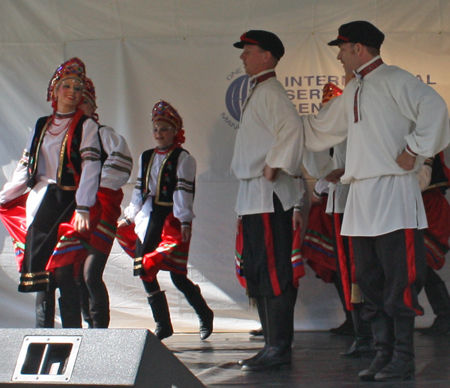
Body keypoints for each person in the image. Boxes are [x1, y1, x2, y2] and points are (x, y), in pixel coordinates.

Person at [301, 21, 450, 381]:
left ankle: (402, 357)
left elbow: (436, 110)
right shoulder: (354, 90)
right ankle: (383, 354)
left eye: (341, 47)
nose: (337, 54)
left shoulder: (397, 79)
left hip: (393, 192)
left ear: (358, 48)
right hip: (362, 195)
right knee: (367, 278)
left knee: (399, 276)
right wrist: (281, 129)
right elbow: (320, 129)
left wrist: (414, 150)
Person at [0, 58, 102, 328]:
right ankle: (41, 334)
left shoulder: (86, 127)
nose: (72, 91)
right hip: (39, 203)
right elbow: (26, 165)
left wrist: (83, 206)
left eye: (78, 87)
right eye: (66, 85)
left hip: (68, 203)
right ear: (54, 91)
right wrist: (6, 195)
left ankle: (72, 334)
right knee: (42, 275)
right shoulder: (41, 125)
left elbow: (91, 168)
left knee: (65, 270)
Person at [33, 77, 133, 329]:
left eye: (84, 99)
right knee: (63, 270)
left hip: (100, 208)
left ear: (92, 105)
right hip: (69, 207)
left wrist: (91, 186)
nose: (78, 103)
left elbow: (120, 167)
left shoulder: (102, 133)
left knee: (89, 273)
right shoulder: (60, 132)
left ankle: (98, 331)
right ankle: (70, 327)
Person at [231, 30, 304, 371]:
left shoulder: (271, 91)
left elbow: (292, 128)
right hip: (254, 196)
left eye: (249, 51)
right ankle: (271, 345)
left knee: (274, 271)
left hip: (267, 197)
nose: (243, 57)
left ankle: (279, 347)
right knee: (260, 270)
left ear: (267, 55)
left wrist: (275, 163)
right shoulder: (260, 90)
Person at [117, 100, 213, 340]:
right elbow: (139, 190)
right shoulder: (146, 156)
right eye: (156, 129)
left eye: (164, 129)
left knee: (177, 275)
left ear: (175, 132)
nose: (159, 134)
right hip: (149, 218)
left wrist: (184, 221)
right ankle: (163, 323)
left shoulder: (183, 158)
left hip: (171, 219)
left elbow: (183, 191)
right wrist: (129, 216)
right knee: (143, 268)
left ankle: (204, 313)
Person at [417, 154, 450, 336]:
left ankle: (445, 315)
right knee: (419, 264)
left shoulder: (426, 145)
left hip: (430, 205)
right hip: (425, 204)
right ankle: (445, 315)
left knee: (420, 262)